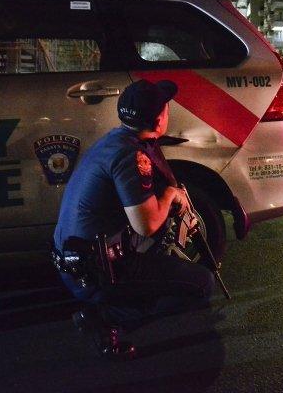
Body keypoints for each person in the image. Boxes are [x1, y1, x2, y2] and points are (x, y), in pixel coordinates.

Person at [53, 79, 215, 360]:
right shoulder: (132, 155)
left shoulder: (112, 141)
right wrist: (170, 196)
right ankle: (107, 318)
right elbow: (147, 224)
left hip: (74, 258)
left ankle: (107, 305)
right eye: (166, 109)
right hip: (92, 272)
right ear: (158, 119)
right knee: (201, 284)